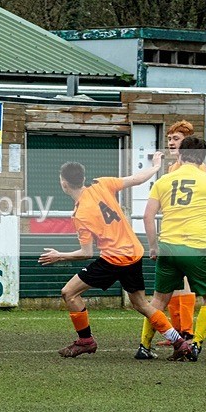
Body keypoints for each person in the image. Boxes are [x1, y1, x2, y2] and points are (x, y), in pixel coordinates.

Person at [39, 154, 191, 360]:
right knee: (141, 304)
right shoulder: (101, 183)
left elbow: (86, 253)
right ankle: (179, 342)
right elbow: (136, 179)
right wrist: (155, 167)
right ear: (83, 178)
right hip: (134, 252)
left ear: (64, 184)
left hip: (113, 259)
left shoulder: (81, 213)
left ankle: (86, 341)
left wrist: (59, 256)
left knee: (69, 293)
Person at [140, 136, 206, 361]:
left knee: (157, 301)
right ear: (203, 157)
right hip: (196, 248)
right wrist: (204, 239)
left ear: (181, 154)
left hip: (168, 247)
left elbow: (148, 217)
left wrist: (153, 247)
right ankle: (195, 344)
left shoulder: (164, 181)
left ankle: (144, 346)